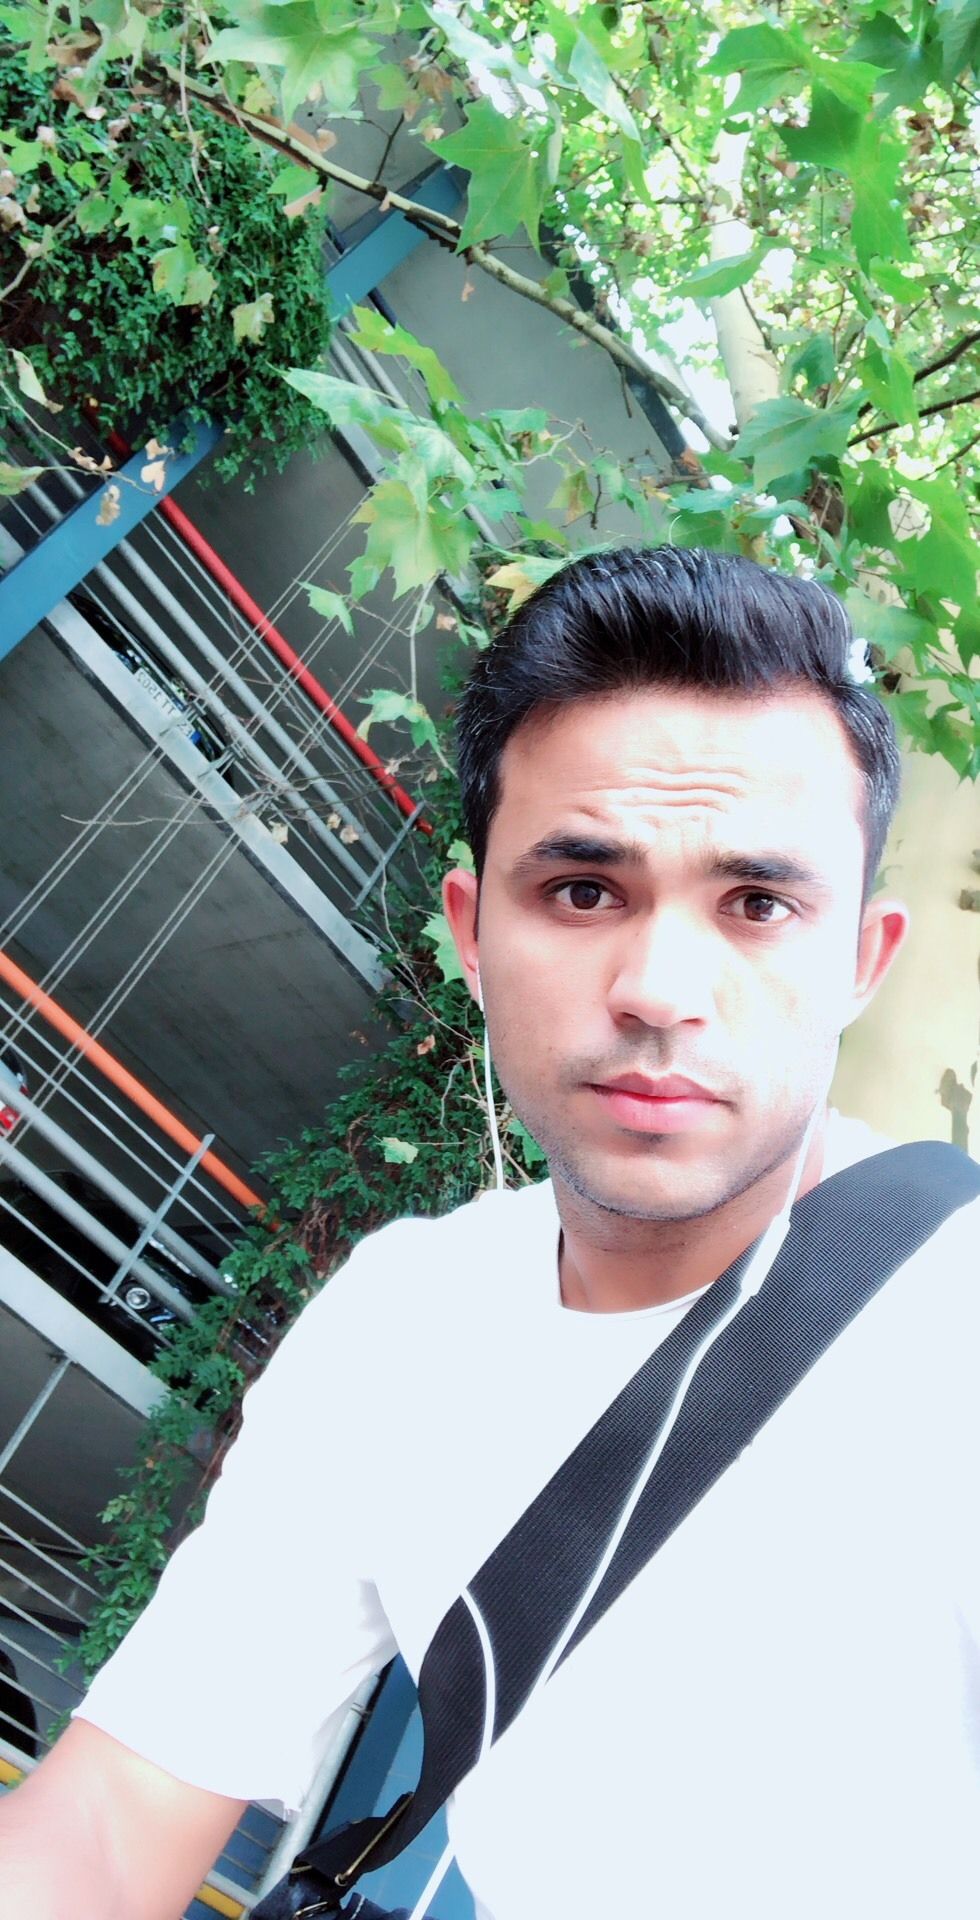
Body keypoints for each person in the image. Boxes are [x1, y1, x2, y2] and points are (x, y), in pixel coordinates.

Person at [2, 545, 977, 1920]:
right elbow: (116, 1818)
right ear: (471, 931)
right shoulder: (403, 1322)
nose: (659, 990)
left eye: (758, 905)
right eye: (583, 891)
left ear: (861, 962)